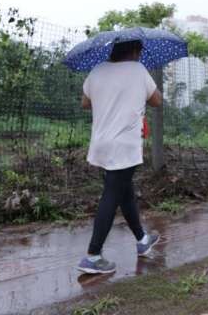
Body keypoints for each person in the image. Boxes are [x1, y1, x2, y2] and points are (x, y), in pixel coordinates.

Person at [76, 39, 163, 275]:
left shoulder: (97, 70)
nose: (140, 56)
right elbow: (157, 100)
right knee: (113, 193)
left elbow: (85, 103)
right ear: (134, 51)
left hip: (102, 143)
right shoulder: (138, 70)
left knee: (124, 191)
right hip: (123, 145)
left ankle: (142, 239)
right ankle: (92, 255)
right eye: (140, 52)